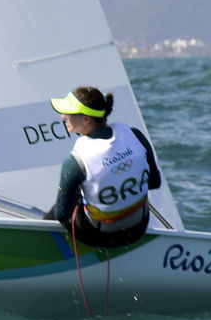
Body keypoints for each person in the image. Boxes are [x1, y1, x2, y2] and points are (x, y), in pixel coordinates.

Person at [45, 86, 161, 248]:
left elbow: (62, 214)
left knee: (67, 201)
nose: (63, 116)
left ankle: (43, 242)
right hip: (139, 229)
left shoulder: (76, 161)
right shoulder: (135, 136)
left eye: (68, 112)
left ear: (86, 119)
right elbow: (154, 182)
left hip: (102, 237)